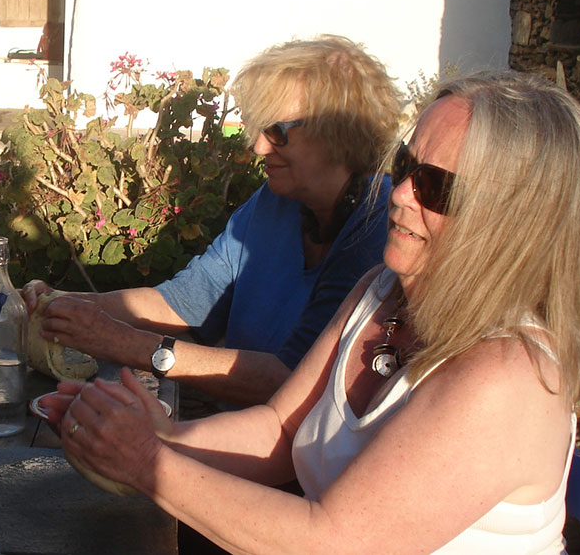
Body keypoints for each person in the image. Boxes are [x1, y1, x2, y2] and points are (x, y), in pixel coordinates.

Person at [41, 71, 580, 554]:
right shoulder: (383, 291)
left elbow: (333, 543)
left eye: (435, 187)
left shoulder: (507, 373)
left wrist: (147, 461)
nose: (400, 193)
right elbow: (279, 428)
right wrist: (157, 438)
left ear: (516, 222)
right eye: (405, 166)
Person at [25, 35, 403, 406]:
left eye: (277, 132)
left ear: (339, 133)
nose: (258, 147)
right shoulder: (275, 202)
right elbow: (181, 304)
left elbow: (292, 380)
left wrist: (123, 343)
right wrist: (60, 304)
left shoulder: (379, 226)